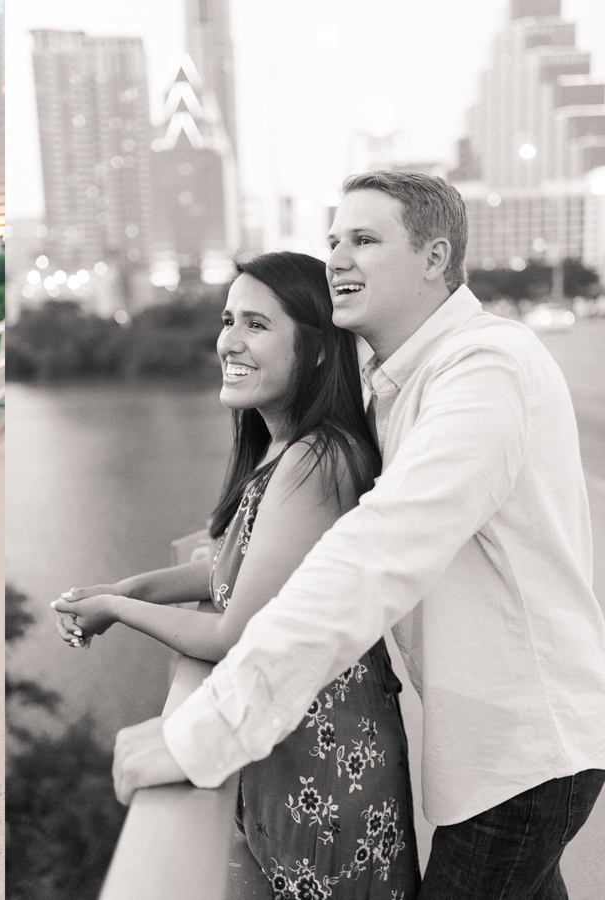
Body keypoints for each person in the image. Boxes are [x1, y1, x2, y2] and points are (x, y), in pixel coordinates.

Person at [110, 171, 605, 898]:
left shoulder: (485, 369)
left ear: (435, 259)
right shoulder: (398, 388)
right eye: (333, 240)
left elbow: (377, 550)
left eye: (365, 240)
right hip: (498, 755)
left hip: (526, 758)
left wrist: (210, 729)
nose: (338, 257)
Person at [54, 251, 420, 898]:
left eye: (256, 324)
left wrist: (117, 613)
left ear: (314, 350)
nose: (229, 341)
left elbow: (232, 634)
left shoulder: (318, 459)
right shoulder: (283, 446)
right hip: (286, 743)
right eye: (228, 320)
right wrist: (124, 588)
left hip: (327, 757)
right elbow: (229, 571)